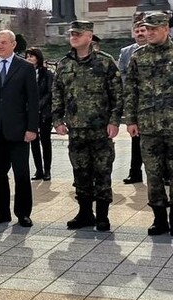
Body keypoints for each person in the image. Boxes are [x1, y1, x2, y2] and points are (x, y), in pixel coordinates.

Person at [124, 11, 173, 237]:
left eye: (153, 29)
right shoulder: (138, 57)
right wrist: (130, 120)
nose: (149, 33)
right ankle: (159, 219)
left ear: (166, 29)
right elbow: (131, 91)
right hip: (148, 126)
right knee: (153, 173)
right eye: (147, 29)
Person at [52, 20, 123, 231]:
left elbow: (117, 95)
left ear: (89, 37)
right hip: (76, 130)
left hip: (100, 130)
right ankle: (84, 214)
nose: (73, 37)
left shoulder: (105, 62)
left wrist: (114, 121)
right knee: (80, 172)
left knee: (102, 172)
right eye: (72, 34)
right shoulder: (64, 64)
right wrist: (57, 121)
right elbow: (57, 94)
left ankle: (102, 216)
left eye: (78, 34)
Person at [0, 30, 39, 227]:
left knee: (21, 174)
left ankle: (23, 213)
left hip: (19, 131)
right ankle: (1, 213)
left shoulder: (25, 67)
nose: (0, 46)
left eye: (4, 42)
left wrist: (32, 128)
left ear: (13, 44)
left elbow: (33, 101)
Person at [118, 15, 147, 184]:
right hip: (134, 101)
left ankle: (164, 174)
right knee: (135, 138)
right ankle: (135, 172)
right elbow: (121, 72)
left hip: (152, 101)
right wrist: (129, 84)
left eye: (143, 30)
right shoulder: (126, 52)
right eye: (137, 31)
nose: (140, 33)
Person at [25, 47, 54, 180]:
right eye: (27, 56)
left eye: (32, 56)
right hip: (30, 113)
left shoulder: (47, 73)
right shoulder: (25, 73)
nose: (29, 59)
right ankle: (39, 170)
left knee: (45, 141)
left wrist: (38, 105)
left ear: (38, 58)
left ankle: (47, 170)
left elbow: (50, 92)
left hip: (44, 113)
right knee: (34, 141)